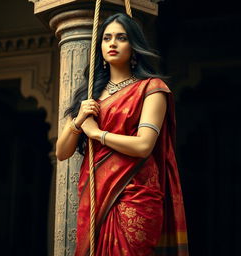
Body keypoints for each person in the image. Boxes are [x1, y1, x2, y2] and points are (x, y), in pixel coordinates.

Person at [56, 13, 189, 256]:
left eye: (121, 38)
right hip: (95, 193)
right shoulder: (88, 96)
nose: (113, 43)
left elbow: (143, 146)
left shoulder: (151, 89)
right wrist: (77, 122)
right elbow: (61, 153)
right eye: (107, 38)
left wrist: (97, 134)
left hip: (135, 196)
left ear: (134, 45)